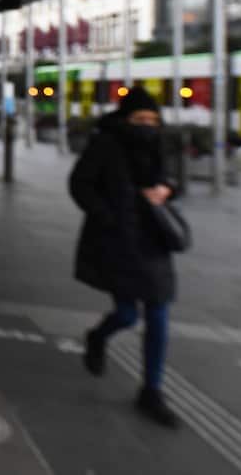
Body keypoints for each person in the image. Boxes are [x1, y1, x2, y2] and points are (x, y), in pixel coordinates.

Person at [71, 86, 181, 428]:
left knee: (159, 314)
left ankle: (151, 390)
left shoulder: (160, 145)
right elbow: (80, 184)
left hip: (154, 241)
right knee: (127, 313)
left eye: (153, 119)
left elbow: (175, 180)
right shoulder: (106, 144)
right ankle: (98, 336)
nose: (148, 125)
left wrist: (167, 189)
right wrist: (107, 216)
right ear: (126, 118)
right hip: (118, 241)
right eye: (140, 119)